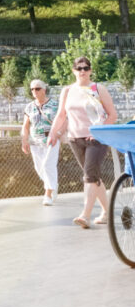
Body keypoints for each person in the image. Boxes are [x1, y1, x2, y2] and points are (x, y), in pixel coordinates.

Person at [50, 56, 118, 228]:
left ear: (90, 71)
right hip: (75, 138)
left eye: (86, 68)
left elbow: (112, 115)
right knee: (93, 177)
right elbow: (61, 115)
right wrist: (53, 134)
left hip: (97, 139)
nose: (82, 71)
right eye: (79, 68)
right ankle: (107, 212)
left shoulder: (98, 88)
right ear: (73, 71)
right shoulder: (67, 91)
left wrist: (98, 131)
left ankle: (85, 215)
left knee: (89, 176)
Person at [21, 79, 58, 206]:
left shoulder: (54, 104)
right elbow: (26, 125)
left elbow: (63, 121)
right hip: (35, 141)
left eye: (37, 88)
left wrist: (57, 134)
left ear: (44, 90)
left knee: (48, 165)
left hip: (50, 140)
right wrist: (24, 140)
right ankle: (52, 185)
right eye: (32, 89)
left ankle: (48, 193)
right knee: (39, 168)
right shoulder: (29, 107)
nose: (34, 91)